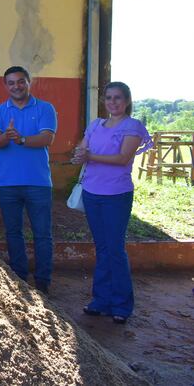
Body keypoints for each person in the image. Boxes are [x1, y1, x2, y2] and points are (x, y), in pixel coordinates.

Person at [72, 82, 152, 324]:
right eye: (108, 98)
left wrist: (89, 156)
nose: (113, 102)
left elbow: (122, 158)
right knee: (103, 248)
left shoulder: (133, 127)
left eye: (118, 98)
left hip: (116, 194)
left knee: (115, 249)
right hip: (92, 192)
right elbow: (82, 150)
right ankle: (101, 300)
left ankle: (121, 305)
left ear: (126, 100)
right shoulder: (96, 125)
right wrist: (78, 154)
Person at [0, 66, 57, 293]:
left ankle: (43, 282)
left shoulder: (46, 108)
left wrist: (22, 139)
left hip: (38, 182)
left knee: (42, 234)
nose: (16, 86)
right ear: (5, 86)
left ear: (29, 82)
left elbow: (47, 138)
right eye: (11, 83)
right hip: (7, 183)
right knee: (13, 232)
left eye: (20, 81)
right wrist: (7, 137)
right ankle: (19, 279)